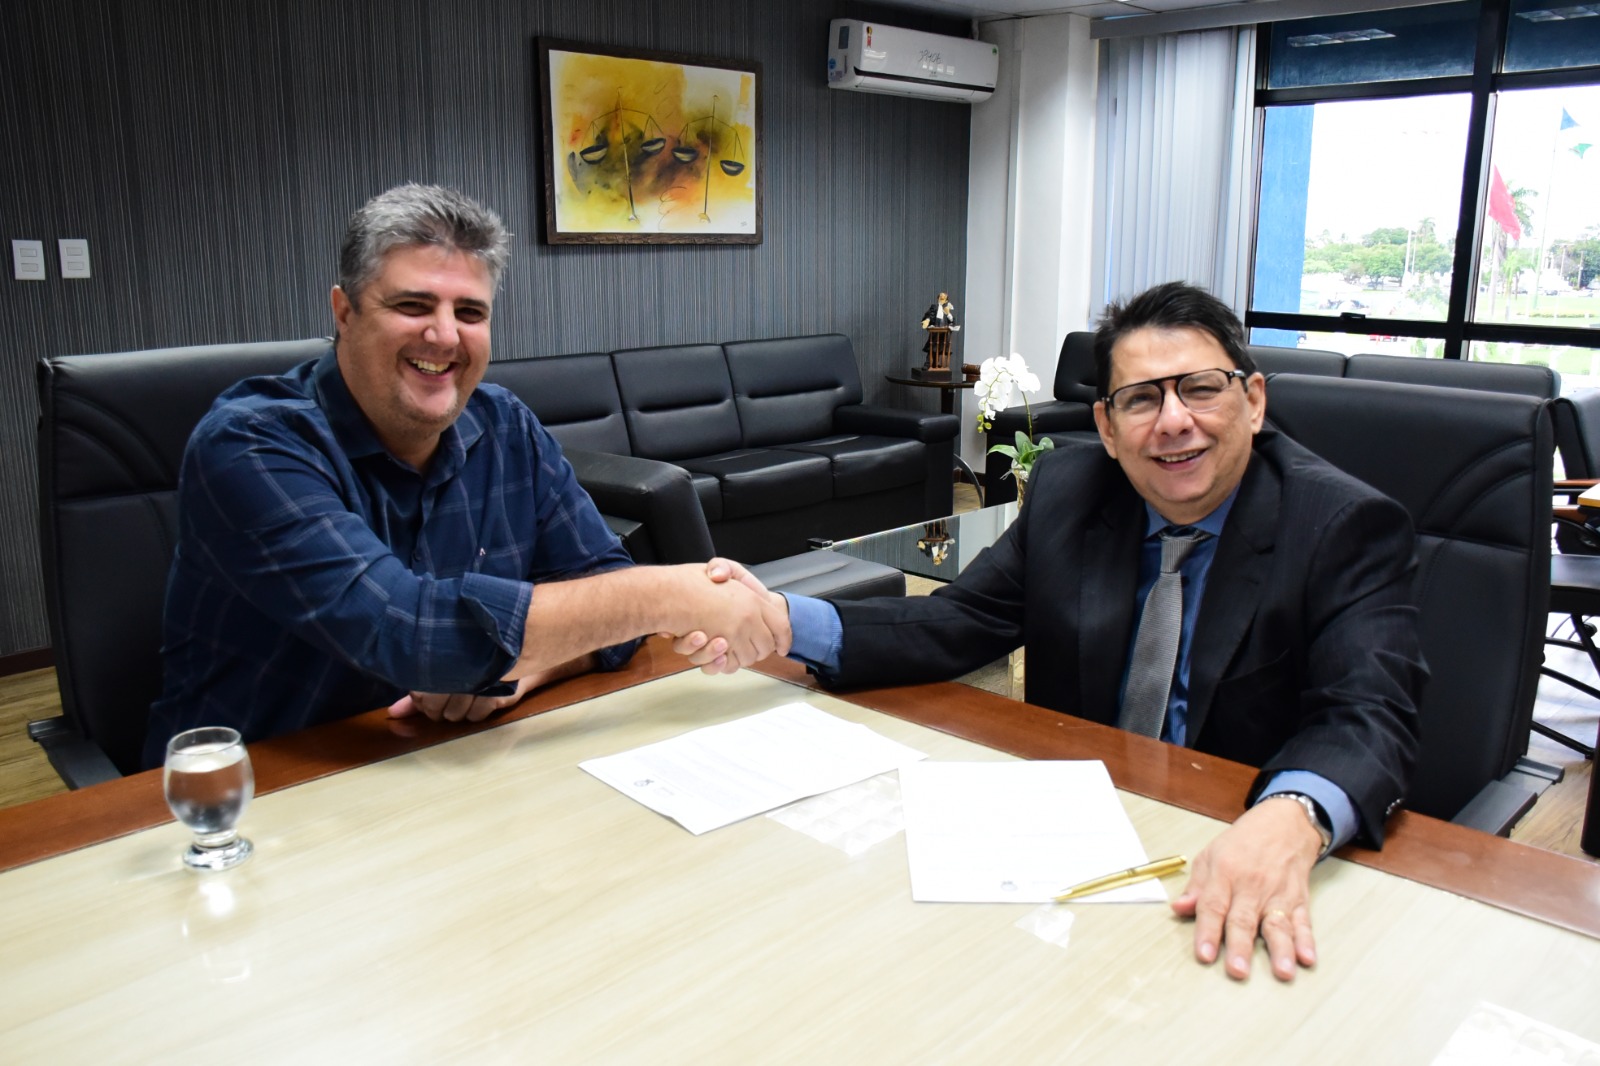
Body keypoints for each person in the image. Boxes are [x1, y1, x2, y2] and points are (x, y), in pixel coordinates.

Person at [679, 281, 1424, 983]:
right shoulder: (1071, 491)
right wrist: (782, 620)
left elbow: (1369, 714)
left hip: (1240, 850)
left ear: (1253, 400)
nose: (1172, 421)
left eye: (1199, 388)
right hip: (1078, 846)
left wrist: (1291, 818)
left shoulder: (1340, 525)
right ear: (1105, 425)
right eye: (1140, 399)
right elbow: (959, 621)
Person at [144, 183, 786, 768]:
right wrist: (673, 594)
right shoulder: (251, 445)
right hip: (265, 790)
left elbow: (604, 593)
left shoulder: (504, 424)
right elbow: (406, 630)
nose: (444, 335)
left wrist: (524, 668)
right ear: (345, 313)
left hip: (451, 770)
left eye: (470, 313)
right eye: (412, 304)